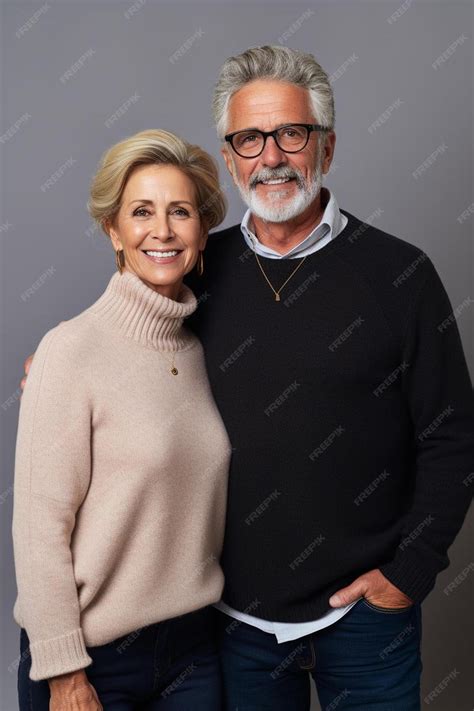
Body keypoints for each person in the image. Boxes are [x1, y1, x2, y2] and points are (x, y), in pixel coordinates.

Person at [21, 46, 474, 710]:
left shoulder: (401, 276)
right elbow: (132, 318)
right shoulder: (203, 268)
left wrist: (409, 572)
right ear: (230, 157)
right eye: (249, 139)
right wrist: (58, 361)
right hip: (236, 627)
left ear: (327, 146)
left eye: (292, 133)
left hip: (365, 620)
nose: (272, 156)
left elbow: (453, 438)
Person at [13, 128, 231, 710]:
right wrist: (64, 672)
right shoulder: (70, 351)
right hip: (92, 659)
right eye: (141, 212)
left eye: (180, 212)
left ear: (202, 231)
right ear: (113, 230)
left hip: (193, 651)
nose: (162, 230)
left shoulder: (204, 349)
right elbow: (39, 531)